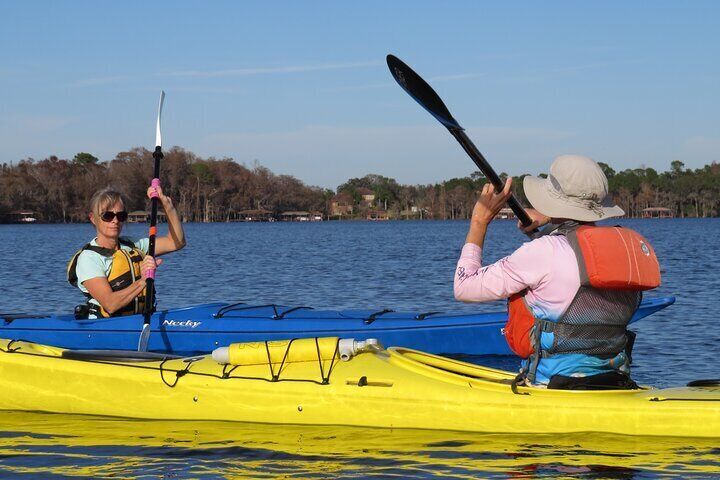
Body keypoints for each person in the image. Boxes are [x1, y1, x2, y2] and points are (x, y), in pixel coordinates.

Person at [454, 155, 660, 390]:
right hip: (615, 381)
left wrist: (479, 222)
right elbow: (573, 254)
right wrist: (551, 219)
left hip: (552, 386)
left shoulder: (543, 251)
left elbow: (464, 287)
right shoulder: (623, 250)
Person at [67, 185, 186, 318]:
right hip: (105, 326)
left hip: (139, 320)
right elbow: (110, 305)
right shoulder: (88, 259)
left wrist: (166, 204)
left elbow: (176, 242)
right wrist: (143, 280)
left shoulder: (133, 246)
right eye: (107, 216)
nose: (115, 221)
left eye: (121, 216)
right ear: (93, 218)